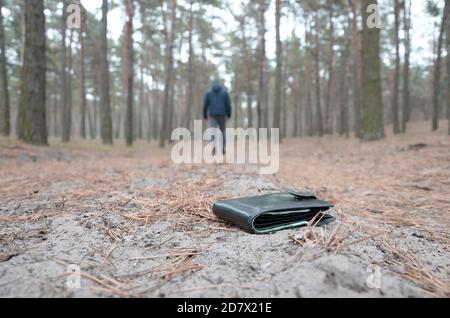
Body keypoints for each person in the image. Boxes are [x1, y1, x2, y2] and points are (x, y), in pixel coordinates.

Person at [203, 79, 232, 155]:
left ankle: (213, 148)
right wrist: (229, 115)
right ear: (219, 85)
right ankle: (223, 148)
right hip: (222, 115)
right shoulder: (224, 93)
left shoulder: (208, 93)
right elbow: (228, 105)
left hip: (213, 115)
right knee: (222, 132)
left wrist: (205, 115)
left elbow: (205, 105)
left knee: (213, 132)